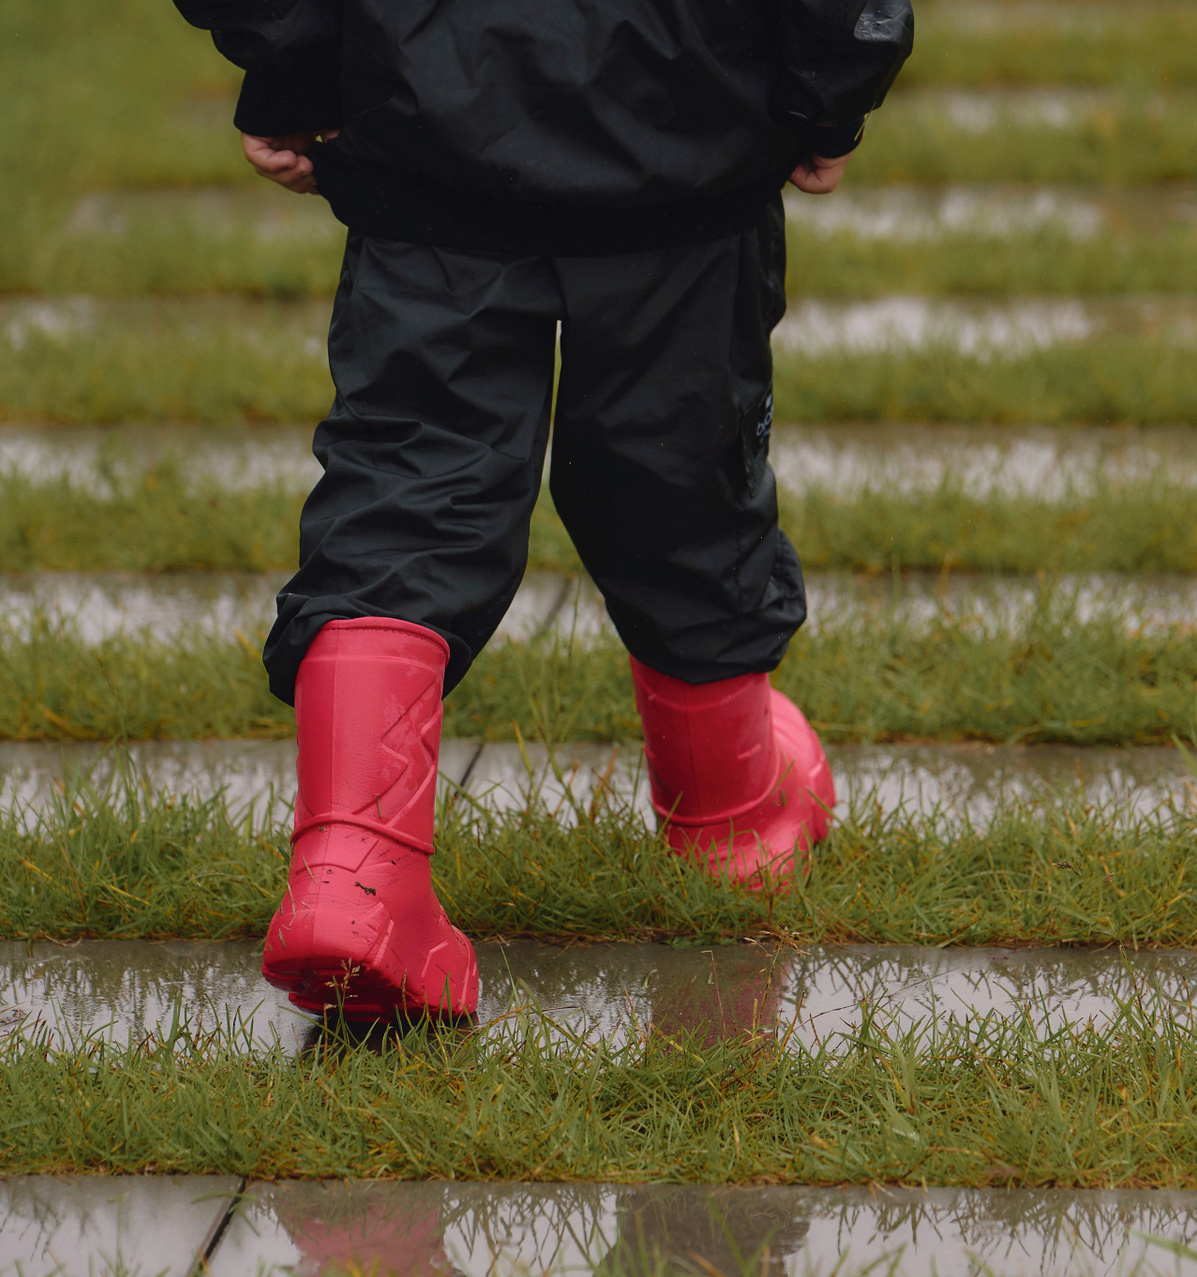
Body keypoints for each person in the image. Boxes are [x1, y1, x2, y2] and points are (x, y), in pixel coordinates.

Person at [172, 0, 914, 1020]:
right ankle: (733, 814)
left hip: (431, 124)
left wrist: (297, 66)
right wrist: (829, 89)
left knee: (409, 479)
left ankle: (355, 872)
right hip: (684, 122)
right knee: (682, 469)